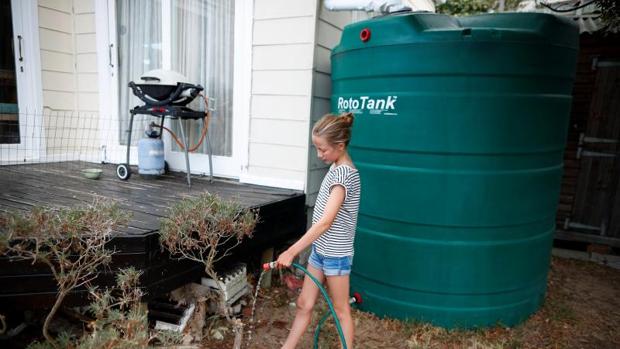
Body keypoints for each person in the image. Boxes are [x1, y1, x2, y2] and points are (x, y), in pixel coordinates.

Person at [276, 112, 361, 349]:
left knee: (341, 310)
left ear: (340, 145)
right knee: (304, 303)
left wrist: (292, 251)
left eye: (322, 149)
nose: (318, 154)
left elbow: (325, 222)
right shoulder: (335, 166)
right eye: (316, 148)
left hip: (336, 255)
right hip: (321, 250)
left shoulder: (344, 174)